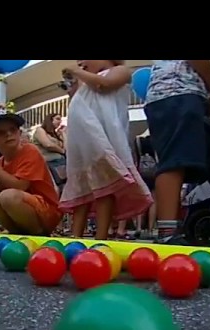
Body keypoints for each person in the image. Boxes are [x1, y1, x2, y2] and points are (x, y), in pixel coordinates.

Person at [58, 60, 152, 240]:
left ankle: (101, 237)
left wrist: (77, 72)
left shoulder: (120, 71)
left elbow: (104, 85)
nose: (80, 62)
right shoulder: (86, 81)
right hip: (83, 143)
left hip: (103, 138)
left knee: (105, 185)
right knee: (82, 188)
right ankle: (76, 235)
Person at [144, 60, 210, 244]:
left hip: (164, 94)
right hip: (179, 91)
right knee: (174, 162)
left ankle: (170, 228)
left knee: (173, 161)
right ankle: (168, 232)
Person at [0, 110, 62, 236]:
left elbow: (20, 186)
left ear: (19, 133)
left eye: (12, 129)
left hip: (47, 212)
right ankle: (16, 233)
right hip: (25, 210)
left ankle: (38, 235)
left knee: (8, 196)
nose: (8, 134)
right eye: (0, 132)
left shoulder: (30, 150)